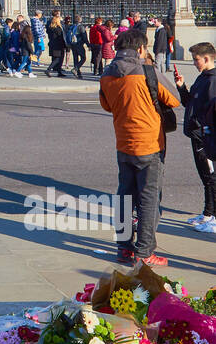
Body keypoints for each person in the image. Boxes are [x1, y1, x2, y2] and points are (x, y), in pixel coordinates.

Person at [99, 28, 180, 266]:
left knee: (124, 195)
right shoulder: (146, 71)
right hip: (149, 143)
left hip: (123, 143)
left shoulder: (107, 74)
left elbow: (106, 105)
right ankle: (144, 252)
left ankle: (124, 247)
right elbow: (173, 99)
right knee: (148, 199)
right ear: (141, 49)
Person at [175, 42, 216, 235]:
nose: (194, 63)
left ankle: (214, 217)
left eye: (196, 59)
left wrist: (205, 130)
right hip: (197, 134)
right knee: (205, 176)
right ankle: (208, 213)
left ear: (207, 58)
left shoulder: (213, 81)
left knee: (211, 176)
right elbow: (190, 103)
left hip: (205, 136)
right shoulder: (203, 78)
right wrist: (182, 87)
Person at [45, 13, 66, 78]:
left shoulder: (50, 28)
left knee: (55, 58)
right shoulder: (58, 28)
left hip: (52, 44)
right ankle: (48, 69)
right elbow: (60, 37)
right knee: (58, 59)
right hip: (58, 45)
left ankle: (59, 71)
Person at [70, 15, 88, 80]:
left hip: (73, 44)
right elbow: (84, 37)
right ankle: (76, 69)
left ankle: (78, 73)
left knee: (75, 58)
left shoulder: (72, 26)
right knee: (83, 58)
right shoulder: (81, 27)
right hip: (79, 44)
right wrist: (88, 44)